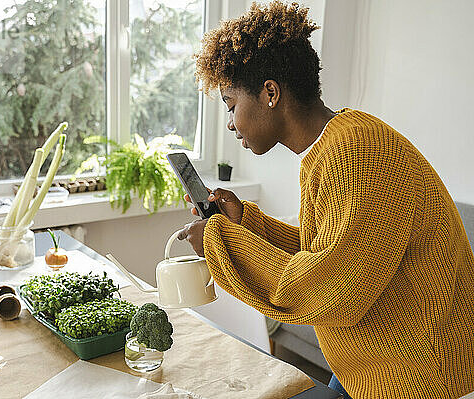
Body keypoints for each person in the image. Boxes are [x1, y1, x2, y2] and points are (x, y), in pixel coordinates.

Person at [177, 2, 474, 398]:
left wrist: (219, 240)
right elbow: (330, 251)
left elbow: (332, 288)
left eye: (231, 105)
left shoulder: (355, 152)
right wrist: (246, 224)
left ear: (270, 92)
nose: (230, 122)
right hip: (366, 366)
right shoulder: (334, 146)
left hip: (423, 379)